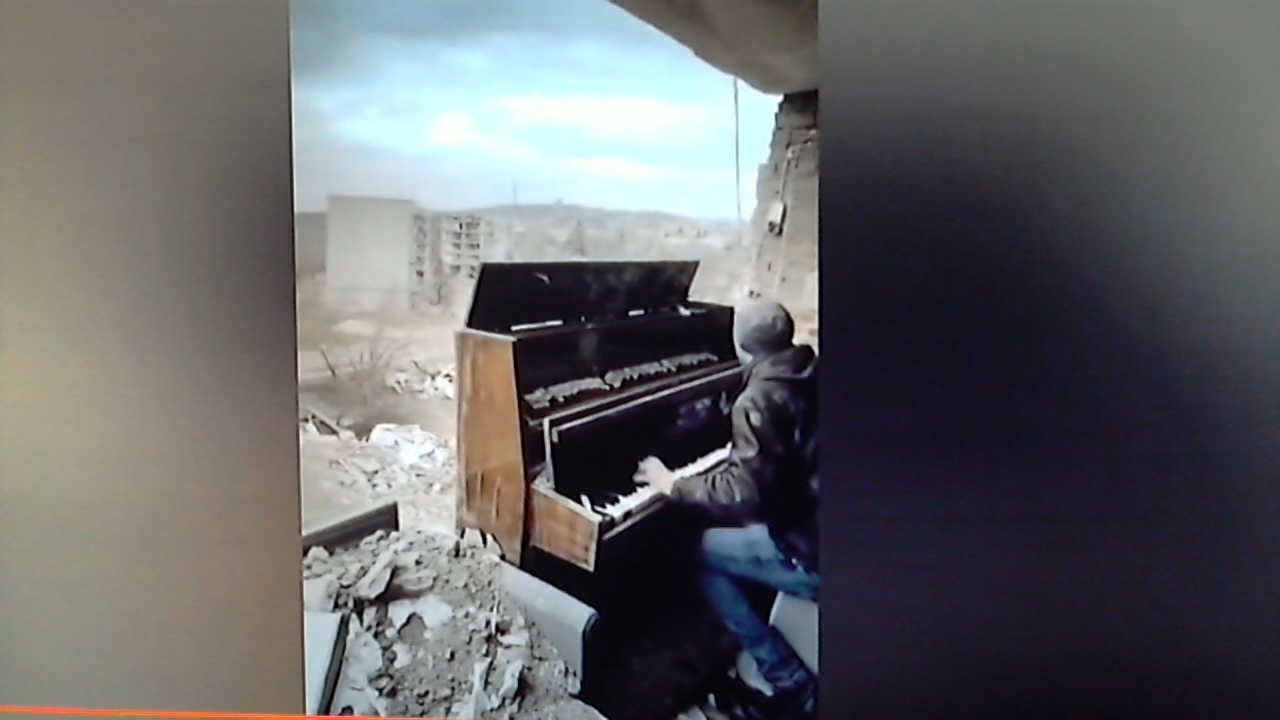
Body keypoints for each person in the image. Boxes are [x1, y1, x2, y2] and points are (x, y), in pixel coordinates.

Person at [634, 299, 819, 720]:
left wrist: (673, 482)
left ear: (741, 348)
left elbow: (744, 492)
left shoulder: (757, 399)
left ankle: (791, 681)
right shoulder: (808, 369)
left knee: (701, 554)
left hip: (812, 552)